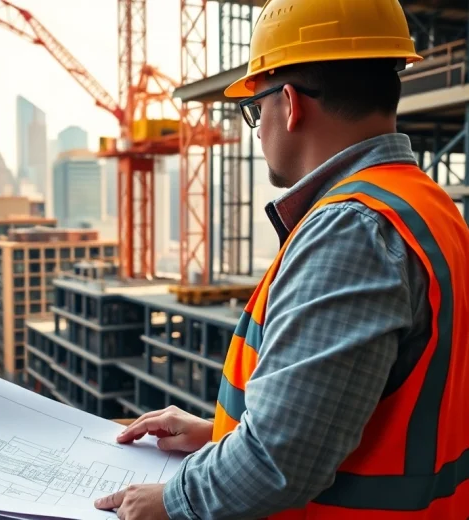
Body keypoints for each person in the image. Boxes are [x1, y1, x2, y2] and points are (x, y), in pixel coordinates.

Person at [93, 0, 469, 518]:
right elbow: (351, 412)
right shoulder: (425, 204)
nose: (256, 126)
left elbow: (278, 463)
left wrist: (168, 501)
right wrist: (220, 434)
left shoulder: (352, 230)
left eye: (254, 108)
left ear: (289, 104)